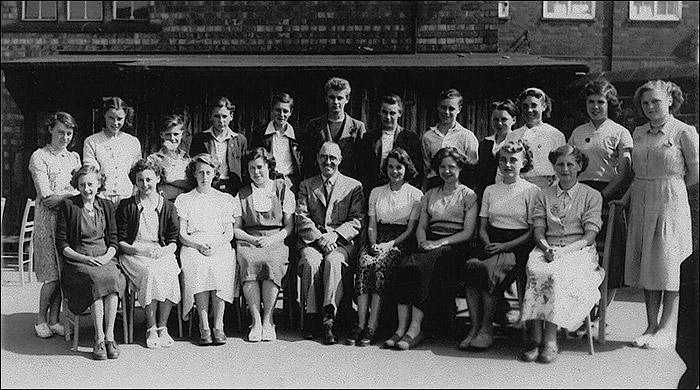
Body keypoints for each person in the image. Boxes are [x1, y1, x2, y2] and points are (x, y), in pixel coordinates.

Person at [618, 80, 699, 350]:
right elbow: (635, 172)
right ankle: (651, 326)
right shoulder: (638, 132)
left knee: (668, 265)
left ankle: (668, 328)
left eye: (655, 101)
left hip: (670, 201)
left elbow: (695, 173)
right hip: (641, 200)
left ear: (671, 101)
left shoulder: (684, 132)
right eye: (645, 103)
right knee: (648, 266)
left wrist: (669, 188)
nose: (650, 107)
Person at [385, 147, 478, 350]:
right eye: (442, 167)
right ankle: (401, 328)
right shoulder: (430, 194)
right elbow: (422, 227)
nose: (446, 171)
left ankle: (416, 329)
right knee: (405, 265)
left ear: (460, 168)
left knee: (422, 268)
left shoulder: (468, 195)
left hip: (454, 245)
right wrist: (421, 241)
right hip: (430, 242)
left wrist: (439, 243)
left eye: (451, 167)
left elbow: (468, 232)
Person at [520, 145, 604, 364]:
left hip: (579, 251)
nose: (565, 169)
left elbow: (589, 236)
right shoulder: (544, 195)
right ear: (554, 167)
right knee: (536, 269)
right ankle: (534, 338)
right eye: (560, 164)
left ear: (579, 167)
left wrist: (563, 252)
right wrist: (547, 248)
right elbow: (538, 229)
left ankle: (550, 340)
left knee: (556, 274)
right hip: (547, 247)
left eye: (570, 164)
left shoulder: (591, 196)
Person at [461, 141, 539, 350]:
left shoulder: (531, 191)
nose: (508, 164)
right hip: (492, 239)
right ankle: (474, 328)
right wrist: (488, 243)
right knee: (471, 266)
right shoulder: (490, 190)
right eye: (503, 160)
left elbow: (532, 230)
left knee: (488, 270)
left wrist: (504, 247)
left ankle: (487, 330)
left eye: (514, 160)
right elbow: (483, 226)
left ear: (523, 163)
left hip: (518, 243)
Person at [568, 79, 633, 315]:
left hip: (608, 196)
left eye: (600, 102)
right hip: (579, 196)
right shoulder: (578, 132)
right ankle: (580, 309)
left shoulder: (620, 132)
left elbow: (624, 172)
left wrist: (601, 197)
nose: (595, 107)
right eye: (590, 102)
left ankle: (601, 311)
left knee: (609, 257)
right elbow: (569, 165)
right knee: (580, 252)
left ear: (609, 104)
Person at [349, 148, 423, 347]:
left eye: (399, 167)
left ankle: (373, 326)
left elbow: (410, 230)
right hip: (377, 236)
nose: (394, 171)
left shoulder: (415, 195)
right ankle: (361, 323)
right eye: (390, 167)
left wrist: (389, 245)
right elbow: (371, 224)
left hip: (400, 240)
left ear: (406, 169)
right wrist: (373, 243)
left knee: (380, 266)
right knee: (364, 264)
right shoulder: (376, 192)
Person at [296, 141, 365, 345]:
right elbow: (301, 216)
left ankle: (328, 317)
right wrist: (319, 237)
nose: (328, 162)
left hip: (340, 242)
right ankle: (311, 315)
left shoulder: (353, 186)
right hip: (313, 240)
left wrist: (334, 235)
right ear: (317, 159)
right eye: (324, 157)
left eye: (333, 158)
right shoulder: (306, 185)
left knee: (334, 262)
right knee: (311, 261)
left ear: (340, 160)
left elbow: (357, 220)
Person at [56, 165, 127, 360]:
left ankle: (110, 337)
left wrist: (105, 257)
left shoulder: (106, 206)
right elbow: (62, 244)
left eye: (91, 184)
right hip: (78, 261)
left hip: (104, 257)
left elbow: (113, 239)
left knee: (112, 278)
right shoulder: (69, 205)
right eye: (82, 185)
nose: (87, 189)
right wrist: (84, 258)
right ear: (77, 186)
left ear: (99, 184)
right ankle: (99, 338)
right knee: (95, 280)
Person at [175, 153, 240, 346]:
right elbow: (182, 234)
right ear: (193, 174)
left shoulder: (225, 199)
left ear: (214, 174)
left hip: (219, 243)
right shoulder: (184, 199)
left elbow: (229, 233)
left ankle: (218, 324)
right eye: (200, 172)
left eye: (208, 172)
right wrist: (197, 245)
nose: (204, 176)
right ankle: (204, 324)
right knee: (197, 265)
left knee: (221, 264)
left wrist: (216, 245)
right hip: (193, 244)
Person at [117, 159, 181, 349]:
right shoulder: (127, 205)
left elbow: (173, 240)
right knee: (150, 273)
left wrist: (164, 251)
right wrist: (137, 249)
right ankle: (150, 327)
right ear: (135, 182)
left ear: (158, 179)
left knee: (170, 271)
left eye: (149, 179)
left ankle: (163, 326)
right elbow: (120, 241)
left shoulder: (168, 206)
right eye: (140, 180)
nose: (145, 185)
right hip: (133, 253)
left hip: (160, 250)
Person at [28, 112, 82, 338]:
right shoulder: (39, 157)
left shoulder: (74, 158)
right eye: (61, 132)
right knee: (51, 275)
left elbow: (83, 188)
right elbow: (46, 196)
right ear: (50, 129)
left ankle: (54, 319)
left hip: (67, 221)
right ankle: (40, 318)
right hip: (47, 222)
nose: (65, 137)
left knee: (63, 273)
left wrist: (67, 195)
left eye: (69, 133)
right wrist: (70, 194)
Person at [234, 147, 295, 342]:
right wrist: (252, 240)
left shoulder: (282, 188)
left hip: (275, 239)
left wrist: (272, 239)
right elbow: (236, 229)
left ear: (268, 166)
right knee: (248, 261)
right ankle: (256, 321)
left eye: (260, 167)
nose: (256, 172)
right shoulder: (242, 194)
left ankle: (268, 320)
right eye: (251, 168)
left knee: (272, 262)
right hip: (249, 240)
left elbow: (289, 227)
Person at [299, 77, 366, 180]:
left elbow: (361, 164)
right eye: (332, 97)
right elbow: (308, 161)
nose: (335, 102)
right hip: (319, 185)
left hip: (347, 186)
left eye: (339, 98)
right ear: (326, 98)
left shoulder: (357, 127)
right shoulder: (314, 126)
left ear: (347, 99)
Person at [359, 93, 424, 192]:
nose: (388, 117)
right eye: (384, 112)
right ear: (379, 112)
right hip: (374, 190)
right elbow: (362, 169)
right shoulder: (369, 138)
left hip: (401, 191)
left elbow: (417, 171)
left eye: (392, 113)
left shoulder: (410, 139)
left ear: (400, 113)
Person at [83, 97, 142, 204]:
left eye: (119, 119)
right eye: (111, 118)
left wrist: (134, 195)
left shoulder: (133, 142)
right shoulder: (92, 141)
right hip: (101, 198)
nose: (115, 123)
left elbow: (138, 172)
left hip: (127, 197)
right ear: (104, 115)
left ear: (126, 117)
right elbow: (91, 172)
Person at [504, 87, 566, 189]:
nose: (529, 110)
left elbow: (562, 166)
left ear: (543, 106)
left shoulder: (555, 135)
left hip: (547, 187)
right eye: (525, 106)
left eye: (534, 106)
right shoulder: (513, 135)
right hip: (519, 186)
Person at [421, 89, 478, 191]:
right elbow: (426, 169)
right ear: (438, 107)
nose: (446, 112)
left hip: (459, 187)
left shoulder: (467, 136)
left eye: (451, 108)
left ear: (459, 109)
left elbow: (472, 168)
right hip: (434, 188)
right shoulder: (428, 137)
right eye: (443, 107)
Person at [189, 96, 248, 196]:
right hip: (209, 187)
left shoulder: (239, 140)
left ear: (231, 116)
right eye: (217, 116)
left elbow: (244, 169)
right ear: (211, 116)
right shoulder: (200, 139)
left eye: (224, 116)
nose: (221, 120)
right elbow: (194, 167)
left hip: (232, 189)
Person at [250, 92, 303, 194]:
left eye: (285, 111)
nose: (281, 114)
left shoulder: (298, 135)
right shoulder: (260, 133)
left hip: (291, 183)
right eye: (278, 110)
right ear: (272, 109)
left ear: (291, 112)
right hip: (268, 181)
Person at [474, 100, 518, 198]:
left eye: (504, 119)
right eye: (495, 119)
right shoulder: (485, 144)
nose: (499, 123)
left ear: (514, 120)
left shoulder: (517, 143)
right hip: (486, 195)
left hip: (510, 195)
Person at [147, 114, 194, 202]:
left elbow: (191, 185)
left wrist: (168, 179)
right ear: (162, 135)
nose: (172, 138)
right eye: (168, 135)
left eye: (176, 134)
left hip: (184, 203)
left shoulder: (186, 159)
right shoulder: (154, 159)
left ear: (182, 134)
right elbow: (150, 184)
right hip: (163, 203)